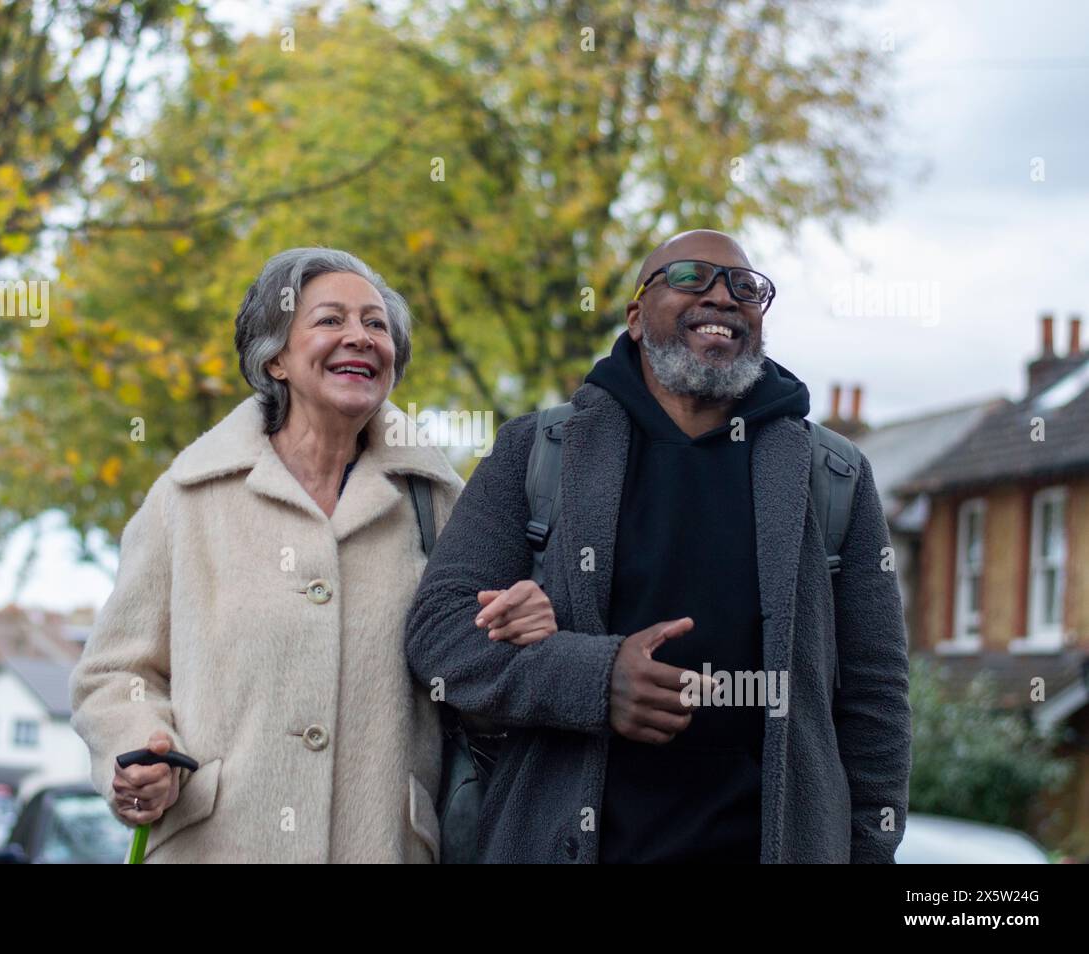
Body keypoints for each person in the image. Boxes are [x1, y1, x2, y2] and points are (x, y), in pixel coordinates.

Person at [406, 229, 912, 863]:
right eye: (690, 277)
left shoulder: (832, 475)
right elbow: (440, 634)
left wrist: (870, 852)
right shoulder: (537, 453)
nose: (724, 296)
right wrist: (594, 678)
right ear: (637, 317)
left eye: (745, 287)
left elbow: (874, 696)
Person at [70, 247, 556, 862]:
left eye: (376, 325)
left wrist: (523, 633)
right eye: (331, 320)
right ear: (274, 356)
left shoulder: (438, 503)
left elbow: (475, 679)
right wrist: (142, 746)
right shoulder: (188, 497)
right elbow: (115, 673)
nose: (360, 337)